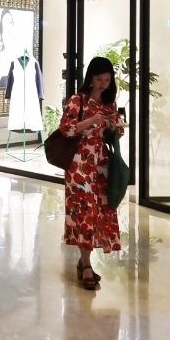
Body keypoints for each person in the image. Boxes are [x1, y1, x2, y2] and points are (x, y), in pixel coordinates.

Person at [60, 56, 124, 290]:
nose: (103, 84)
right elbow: (65, 129)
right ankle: (86, 266)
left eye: (107, 80)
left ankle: (83, 261)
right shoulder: (79, 100)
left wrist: (113, 126)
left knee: (101, 212)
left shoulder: (109, 103)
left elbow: (118, 130)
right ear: (90, 77)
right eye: (99, 79)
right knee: (84, 212)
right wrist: (90, 121)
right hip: (79, 165)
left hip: (101, 165)